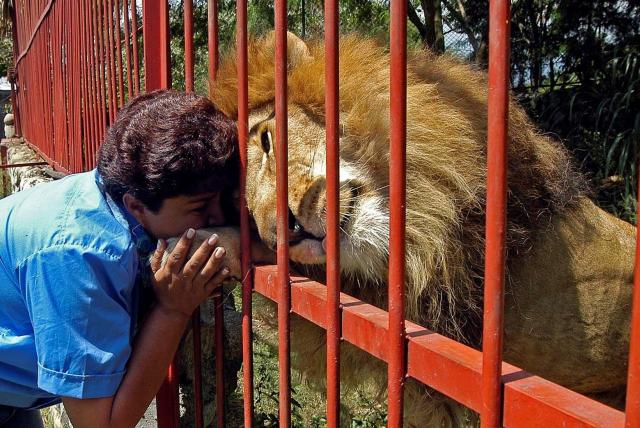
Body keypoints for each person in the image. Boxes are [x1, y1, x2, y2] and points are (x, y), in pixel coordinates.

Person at [0, 89, 240, 427]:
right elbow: (102, 425)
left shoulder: (106, 198)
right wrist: (173, 309)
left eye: (222, 201)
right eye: (200, 207)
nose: (219, 220)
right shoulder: (82, 257)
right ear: (136, 207)